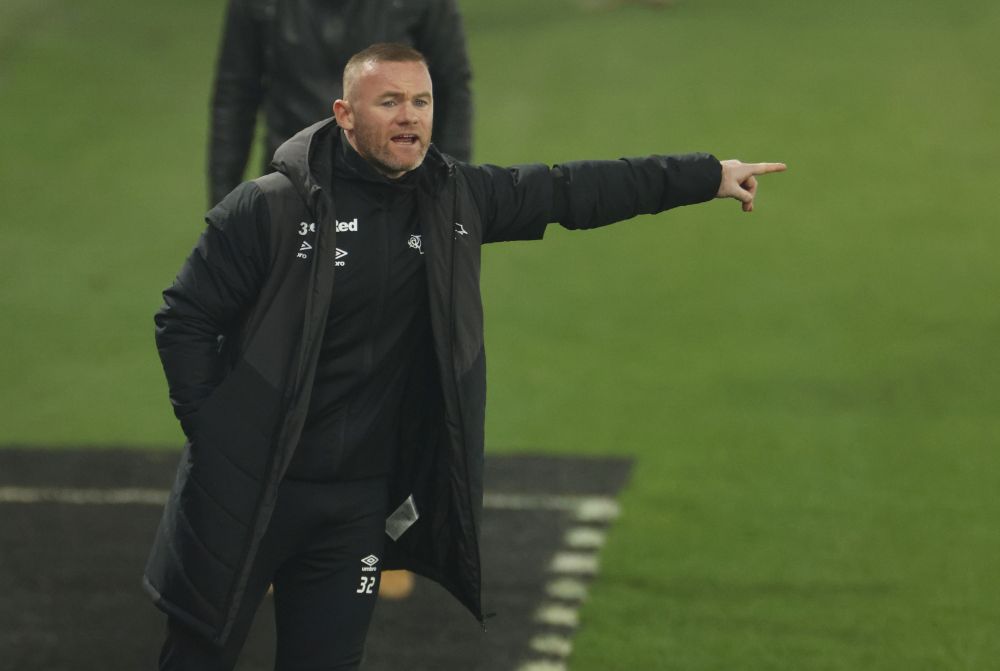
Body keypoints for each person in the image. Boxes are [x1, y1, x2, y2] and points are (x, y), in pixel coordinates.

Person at [146, 42, 785, 671]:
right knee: (199, 656)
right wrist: (219, 436)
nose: (410, 116)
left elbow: (570, 191)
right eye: (389, 101)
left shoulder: (455, 201)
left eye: (422, 101)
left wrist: (707, 175)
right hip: (250, 490)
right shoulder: (268, 208)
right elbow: (184, 319)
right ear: (344, 116)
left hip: (356, 509)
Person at [208, 0, 473, 206]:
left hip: (394, 192)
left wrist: (449, 194)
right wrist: (225, 211)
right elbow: (235, 96)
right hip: (295, 188)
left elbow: (451, 88)